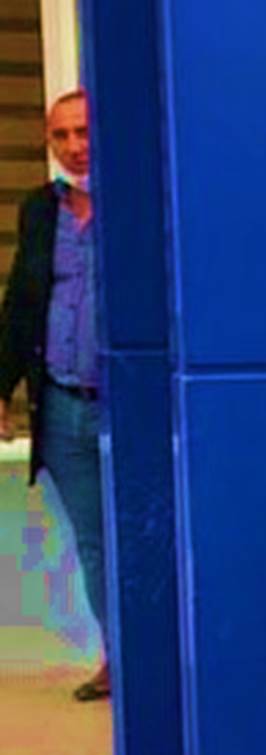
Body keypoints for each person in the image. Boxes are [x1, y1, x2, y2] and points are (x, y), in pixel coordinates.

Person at [0, 90, 106, 700]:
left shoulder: (143, 204)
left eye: (85, 131)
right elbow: (22, 302)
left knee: (145, 537)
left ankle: (161, 664)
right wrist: (3, 385)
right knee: (94, 544)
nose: (75, 146)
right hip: (64, 407)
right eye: (61, 135)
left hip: (131, 410)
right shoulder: (40, 210)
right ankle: (121, 661)